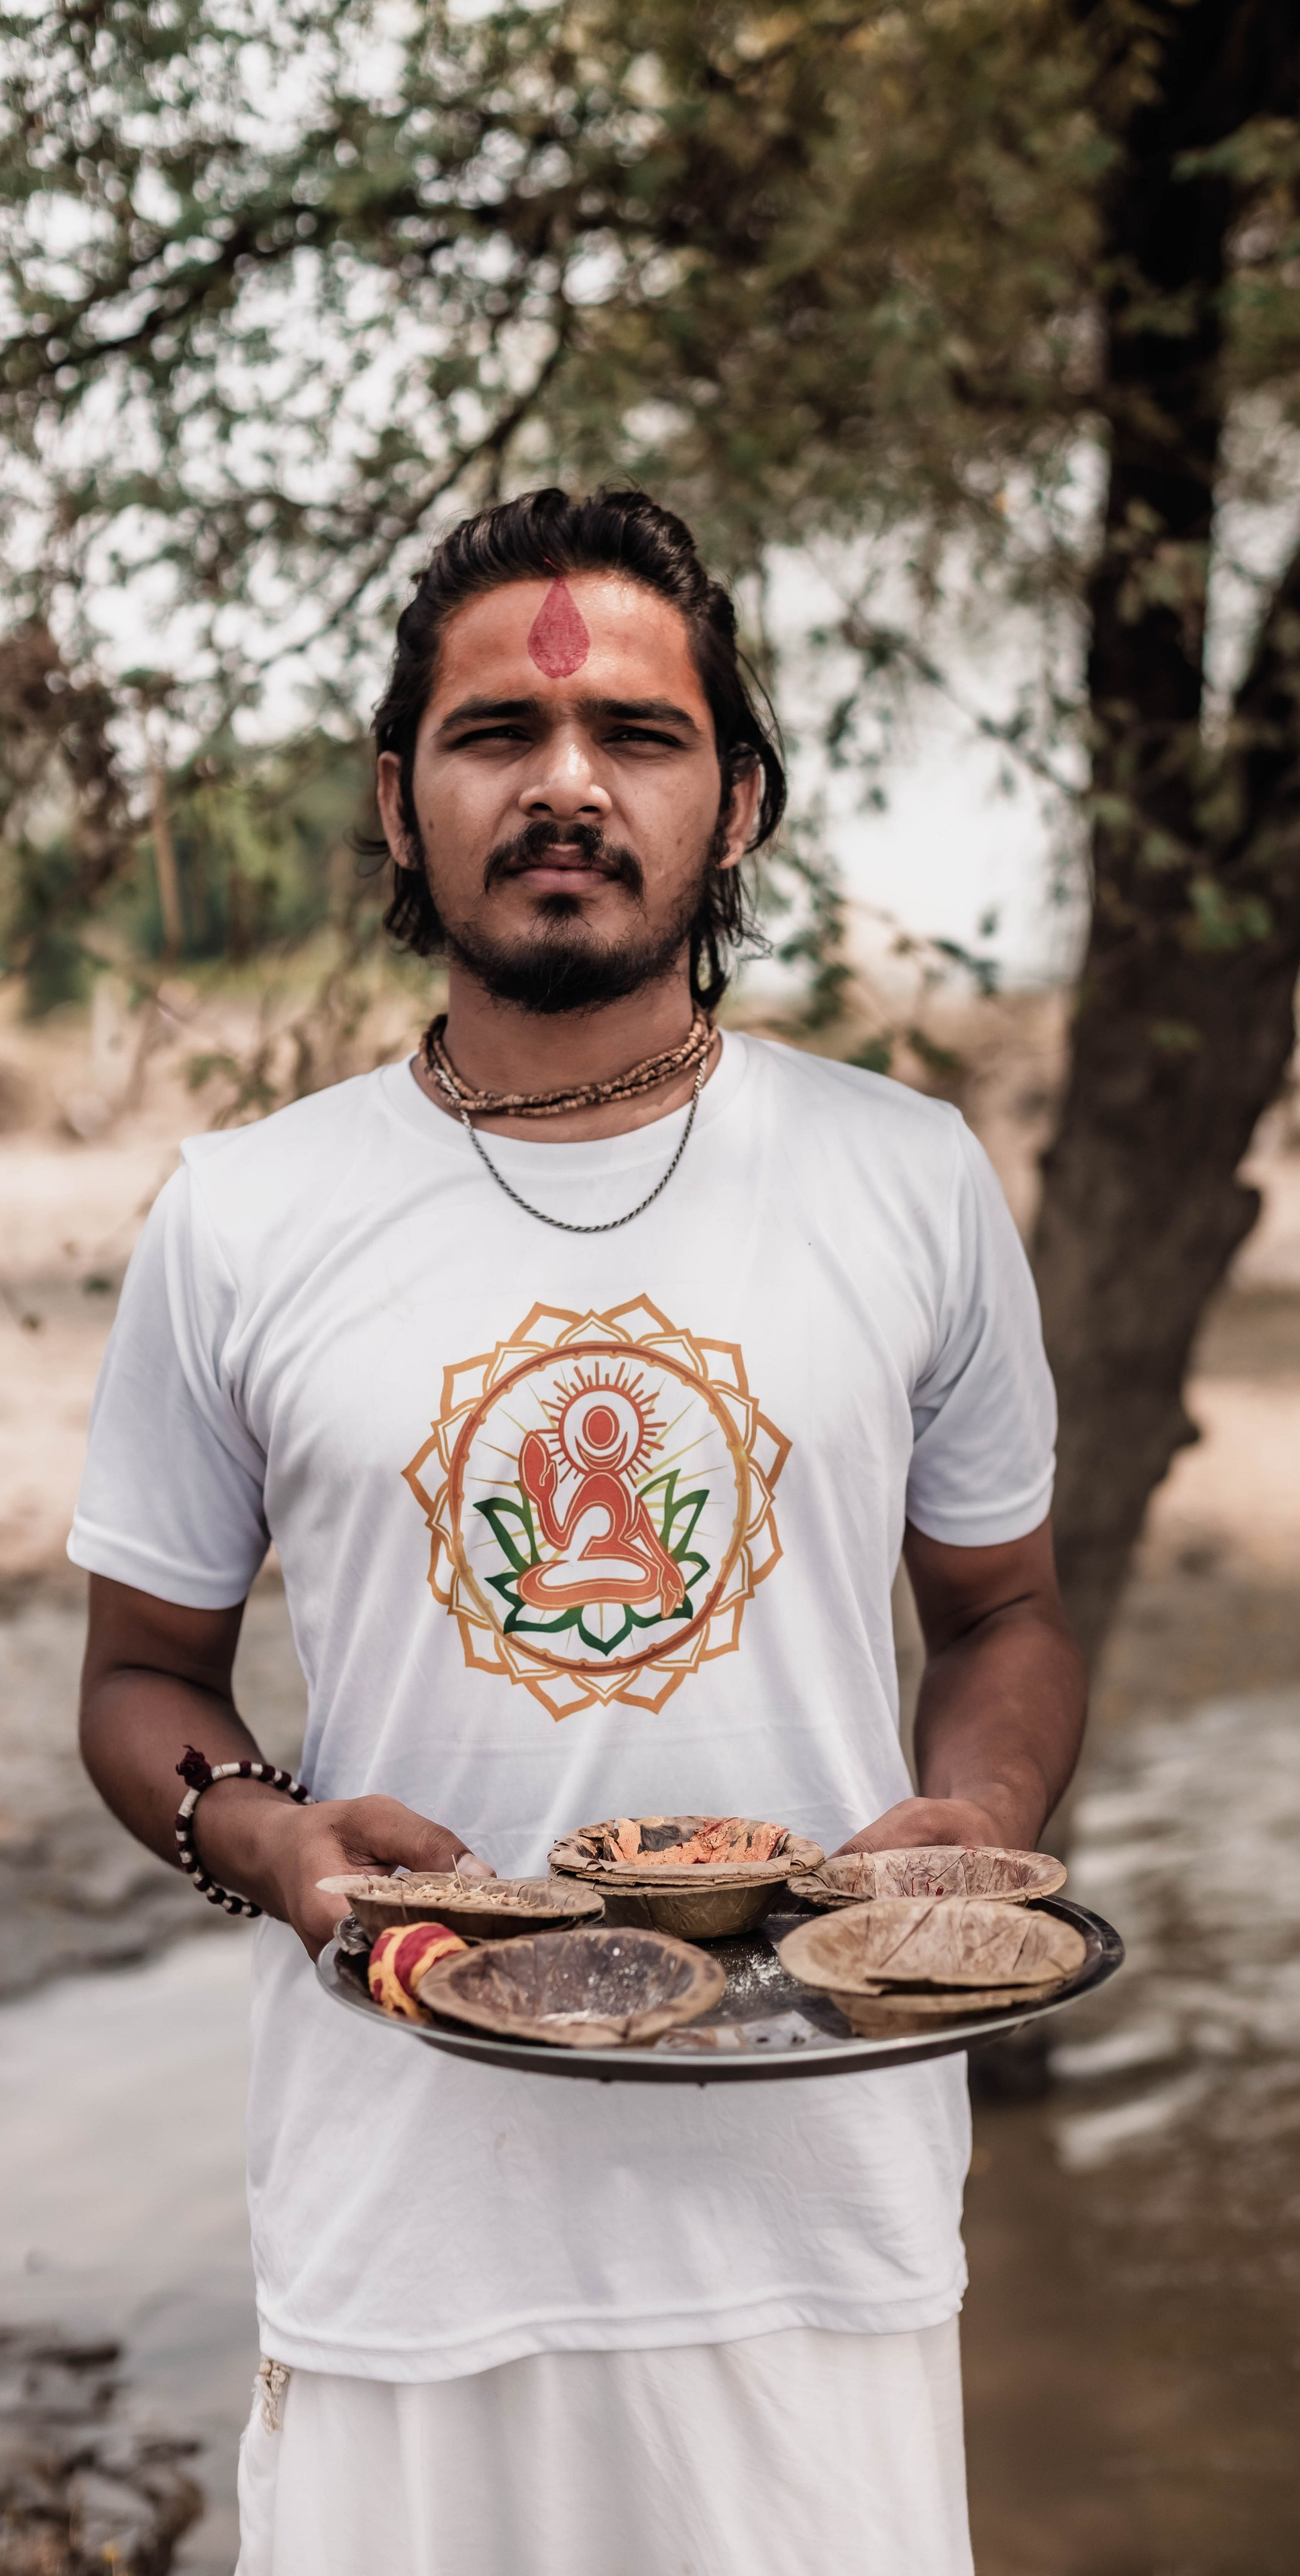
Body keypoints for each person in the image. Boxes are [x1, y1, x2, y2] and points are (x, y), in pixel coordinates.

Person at [73, 486, 1086, 2575]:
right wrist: (269, 1843)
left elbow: (1005, 1611)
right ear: (395, 799)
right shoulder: (247, 1214)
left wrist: (966, 1822)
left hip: (824, 2225)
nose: (563, 785)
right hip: (402, 2224)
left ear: (736, 807)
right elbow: (141, 1680)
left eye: (637, 735)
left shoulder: (904, 1179)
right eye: (494, 738)